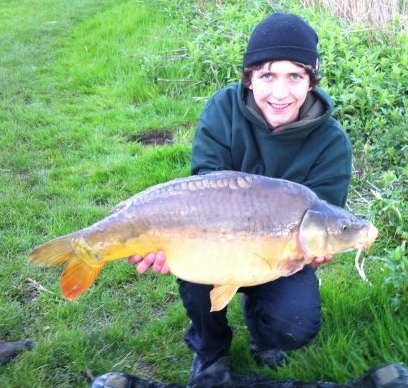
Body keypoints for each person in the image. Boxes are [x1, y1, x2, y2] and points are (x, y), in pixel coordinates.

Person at [91, 12, 408, 388]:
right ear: (249, 77)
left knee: (294, 326)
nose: (280, 92)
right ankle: (210, 349)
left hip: (279, 251)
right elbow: (201, 191)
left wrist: (325, 244)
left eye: (295, 76)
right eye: (267, 75)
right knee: (195, 273)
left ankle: (263, 333)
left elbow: (326, 214)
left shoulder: (331, 141)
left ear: (311, 80)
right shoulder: (223, 110)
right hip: (211, 235)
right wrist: (157, 239)